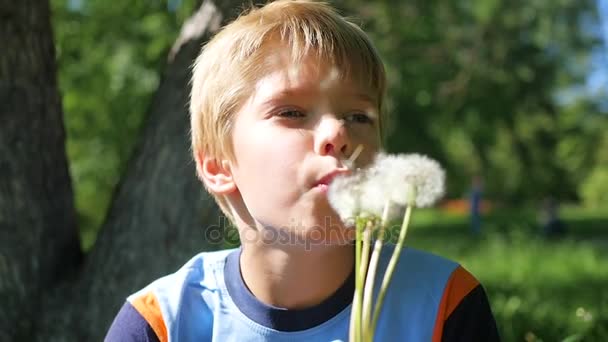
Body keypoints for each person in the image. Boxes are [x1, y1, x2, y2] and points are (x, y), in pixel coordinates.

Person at [105, 1, 500, 341]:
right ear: (218, 166)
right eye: (292, 112)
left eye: (357, 116)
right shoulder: (159, 326)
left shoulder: (445, 306)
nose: (338, 133)